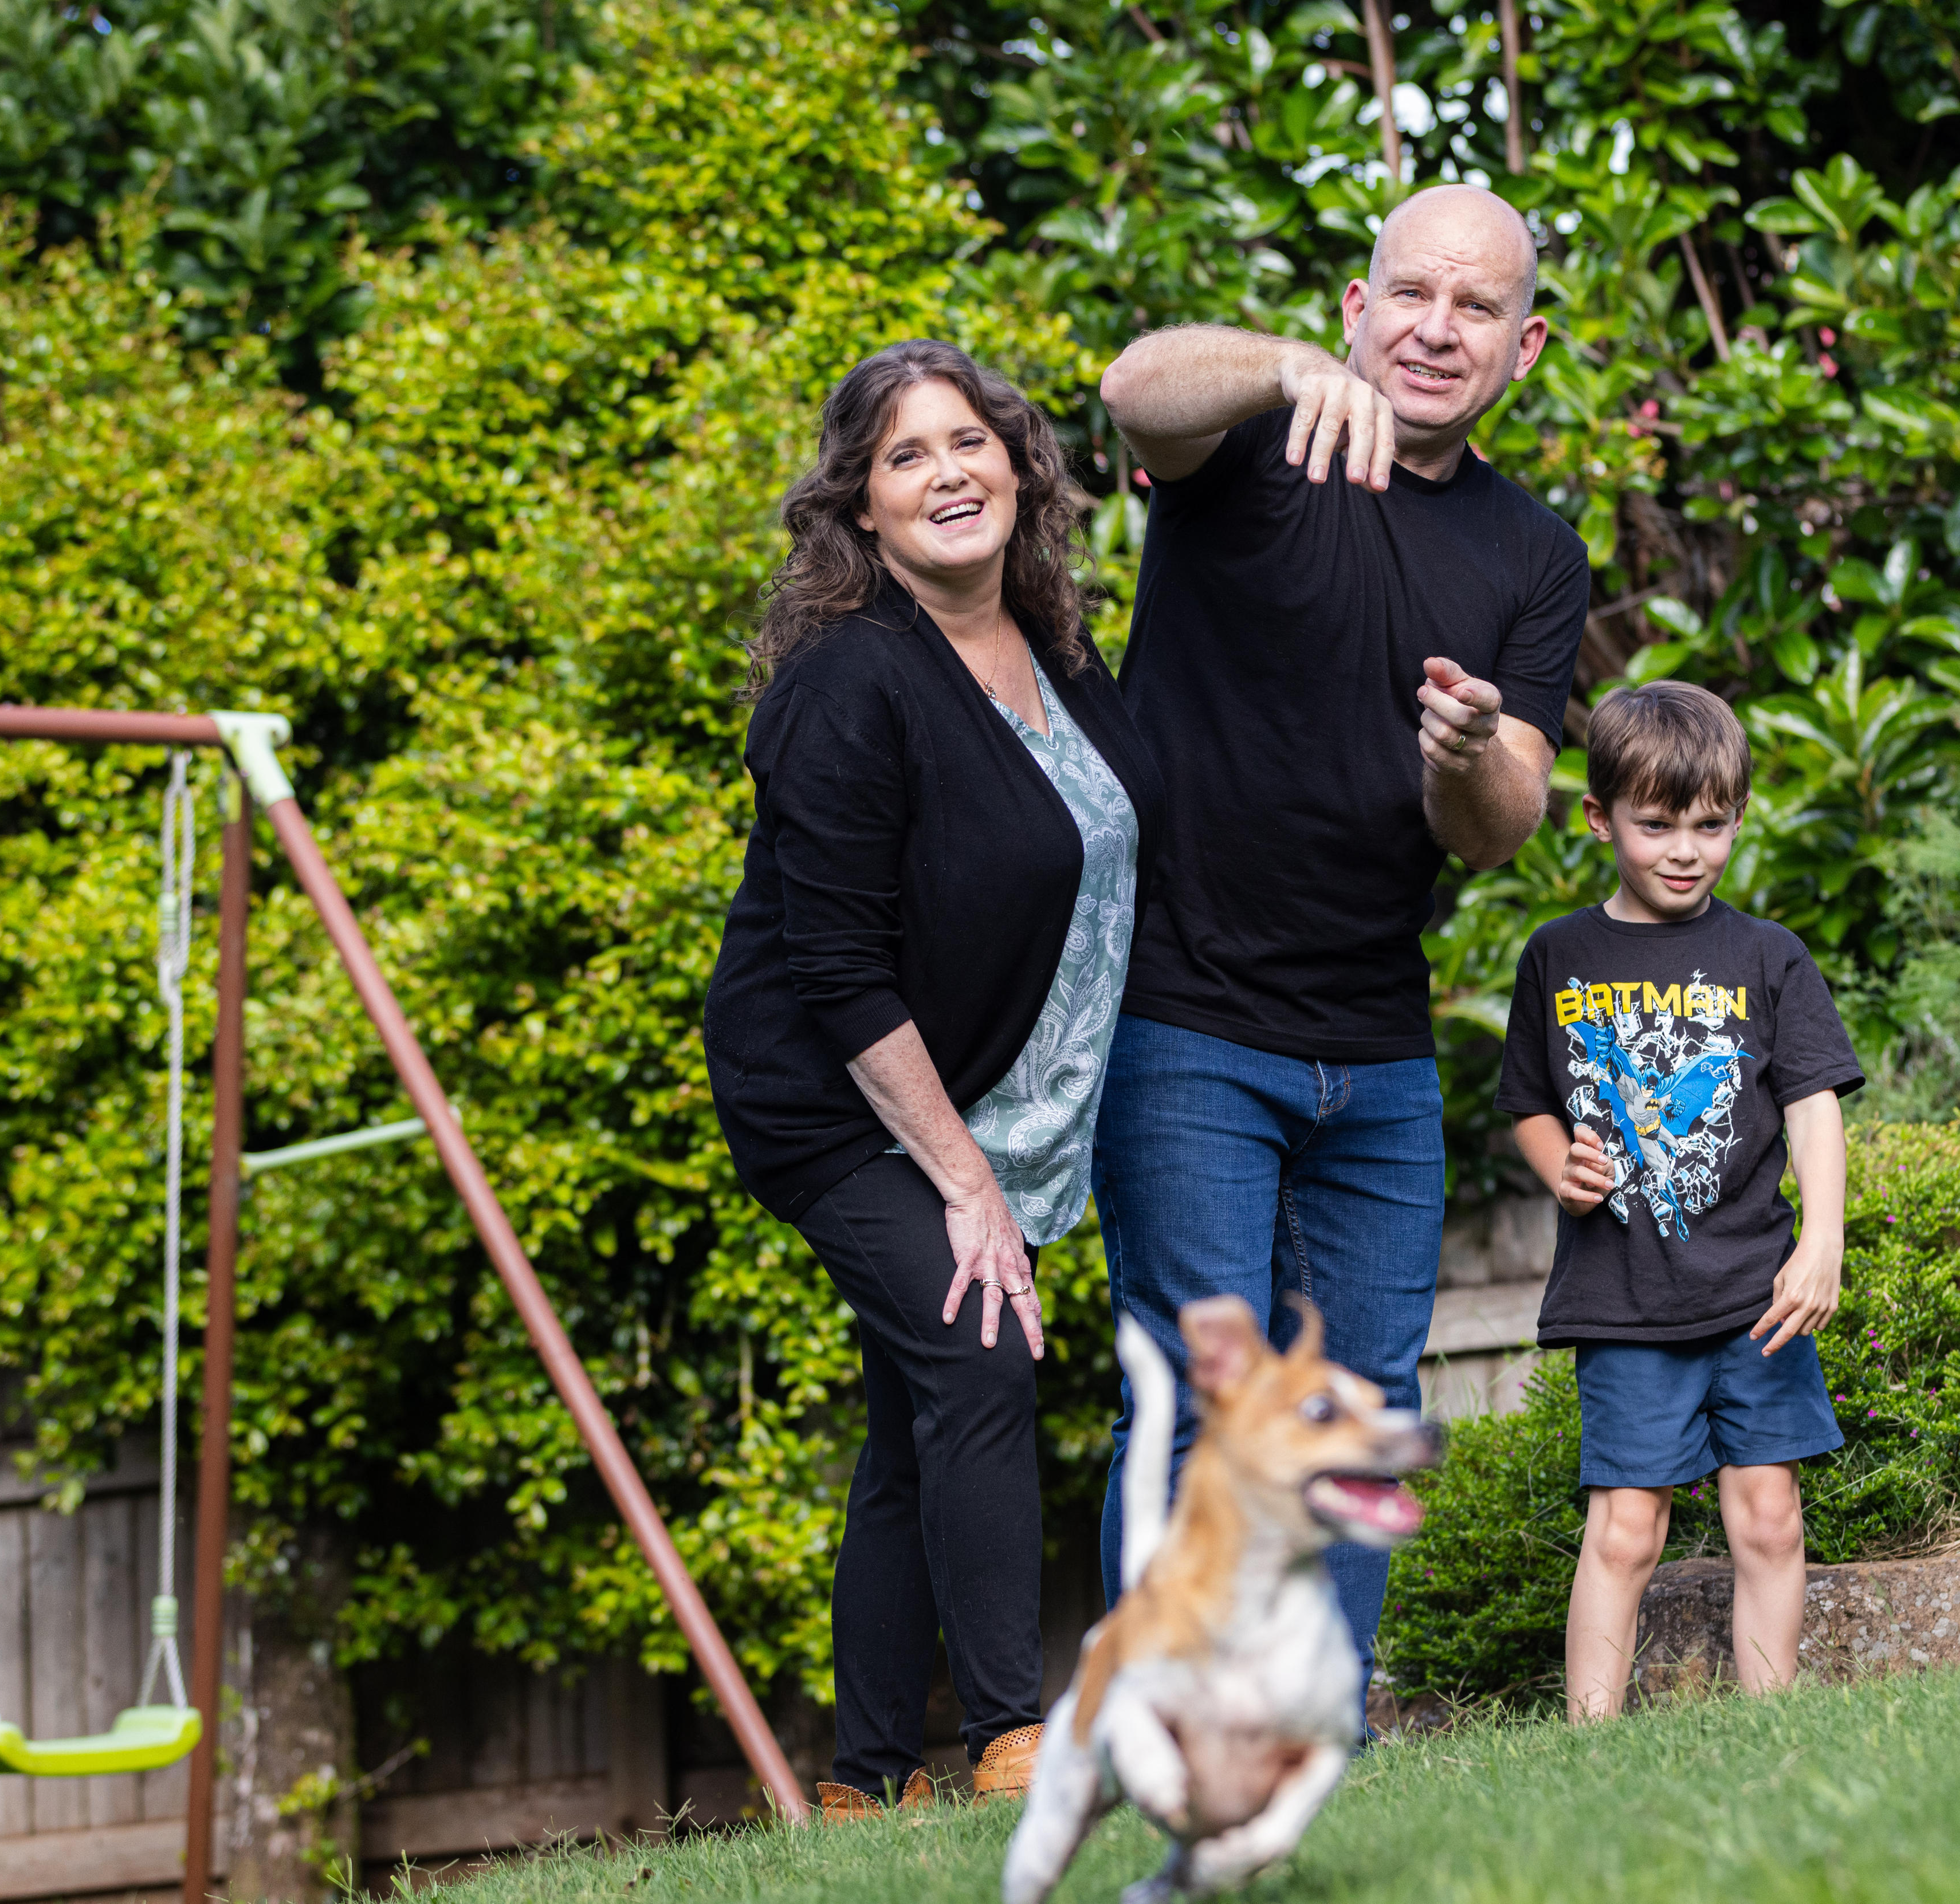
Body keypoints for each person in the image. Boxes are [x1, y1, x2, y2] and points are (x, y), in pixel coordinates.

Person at [1091, 183, 1589, 1678]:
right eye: (1412, 295)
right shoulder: (1250, 442)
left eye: (1478, 306)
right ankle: (1177, 1724)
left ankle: (1322, 1732)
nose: (1440, 327)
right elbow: (1134, 386)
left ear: (1525, 345)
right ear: (1362, 306)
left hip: (1374, 1052)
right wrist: (1284, 367)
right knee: (1197, 1393)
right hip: (1183, 1017)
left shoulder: (1534, 554)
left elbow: (1507, 816)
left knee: (1364, 1399)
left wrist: (1468, 754)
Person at [702, 340, 1166, 1817]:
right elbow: (835, 969)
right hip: (840, 1102)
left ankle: (865, 1781)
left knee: (915, 1427)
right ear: (863, 510)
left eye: (969, 442)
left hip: (983, 1105)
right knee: (976, 1357)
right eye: (906, 458)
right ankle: (1012, 1741)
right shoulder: (849, 686)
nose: (947, 473)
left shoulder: (1061, 655)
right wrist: (963, 1181)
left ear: (1020, 468)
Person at [1493, 682, 1865, 1721]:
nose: (1686, 850)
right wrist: (1555, 1160)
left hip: (1758, 1290)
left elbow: (1812, 1102)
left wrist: (1823, 1241)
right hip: (1626, 1298)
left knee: (1770, 1518)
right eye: (1656, 825)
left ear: (1739, 819)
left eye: (1712, 826)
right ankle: (1592, 1739)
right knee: (1626, 1527)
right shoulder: (1559, 958)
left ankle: (1769, 1725)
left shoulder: (1767, 957)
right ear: (1598, 817)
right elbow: (1526, 1101)